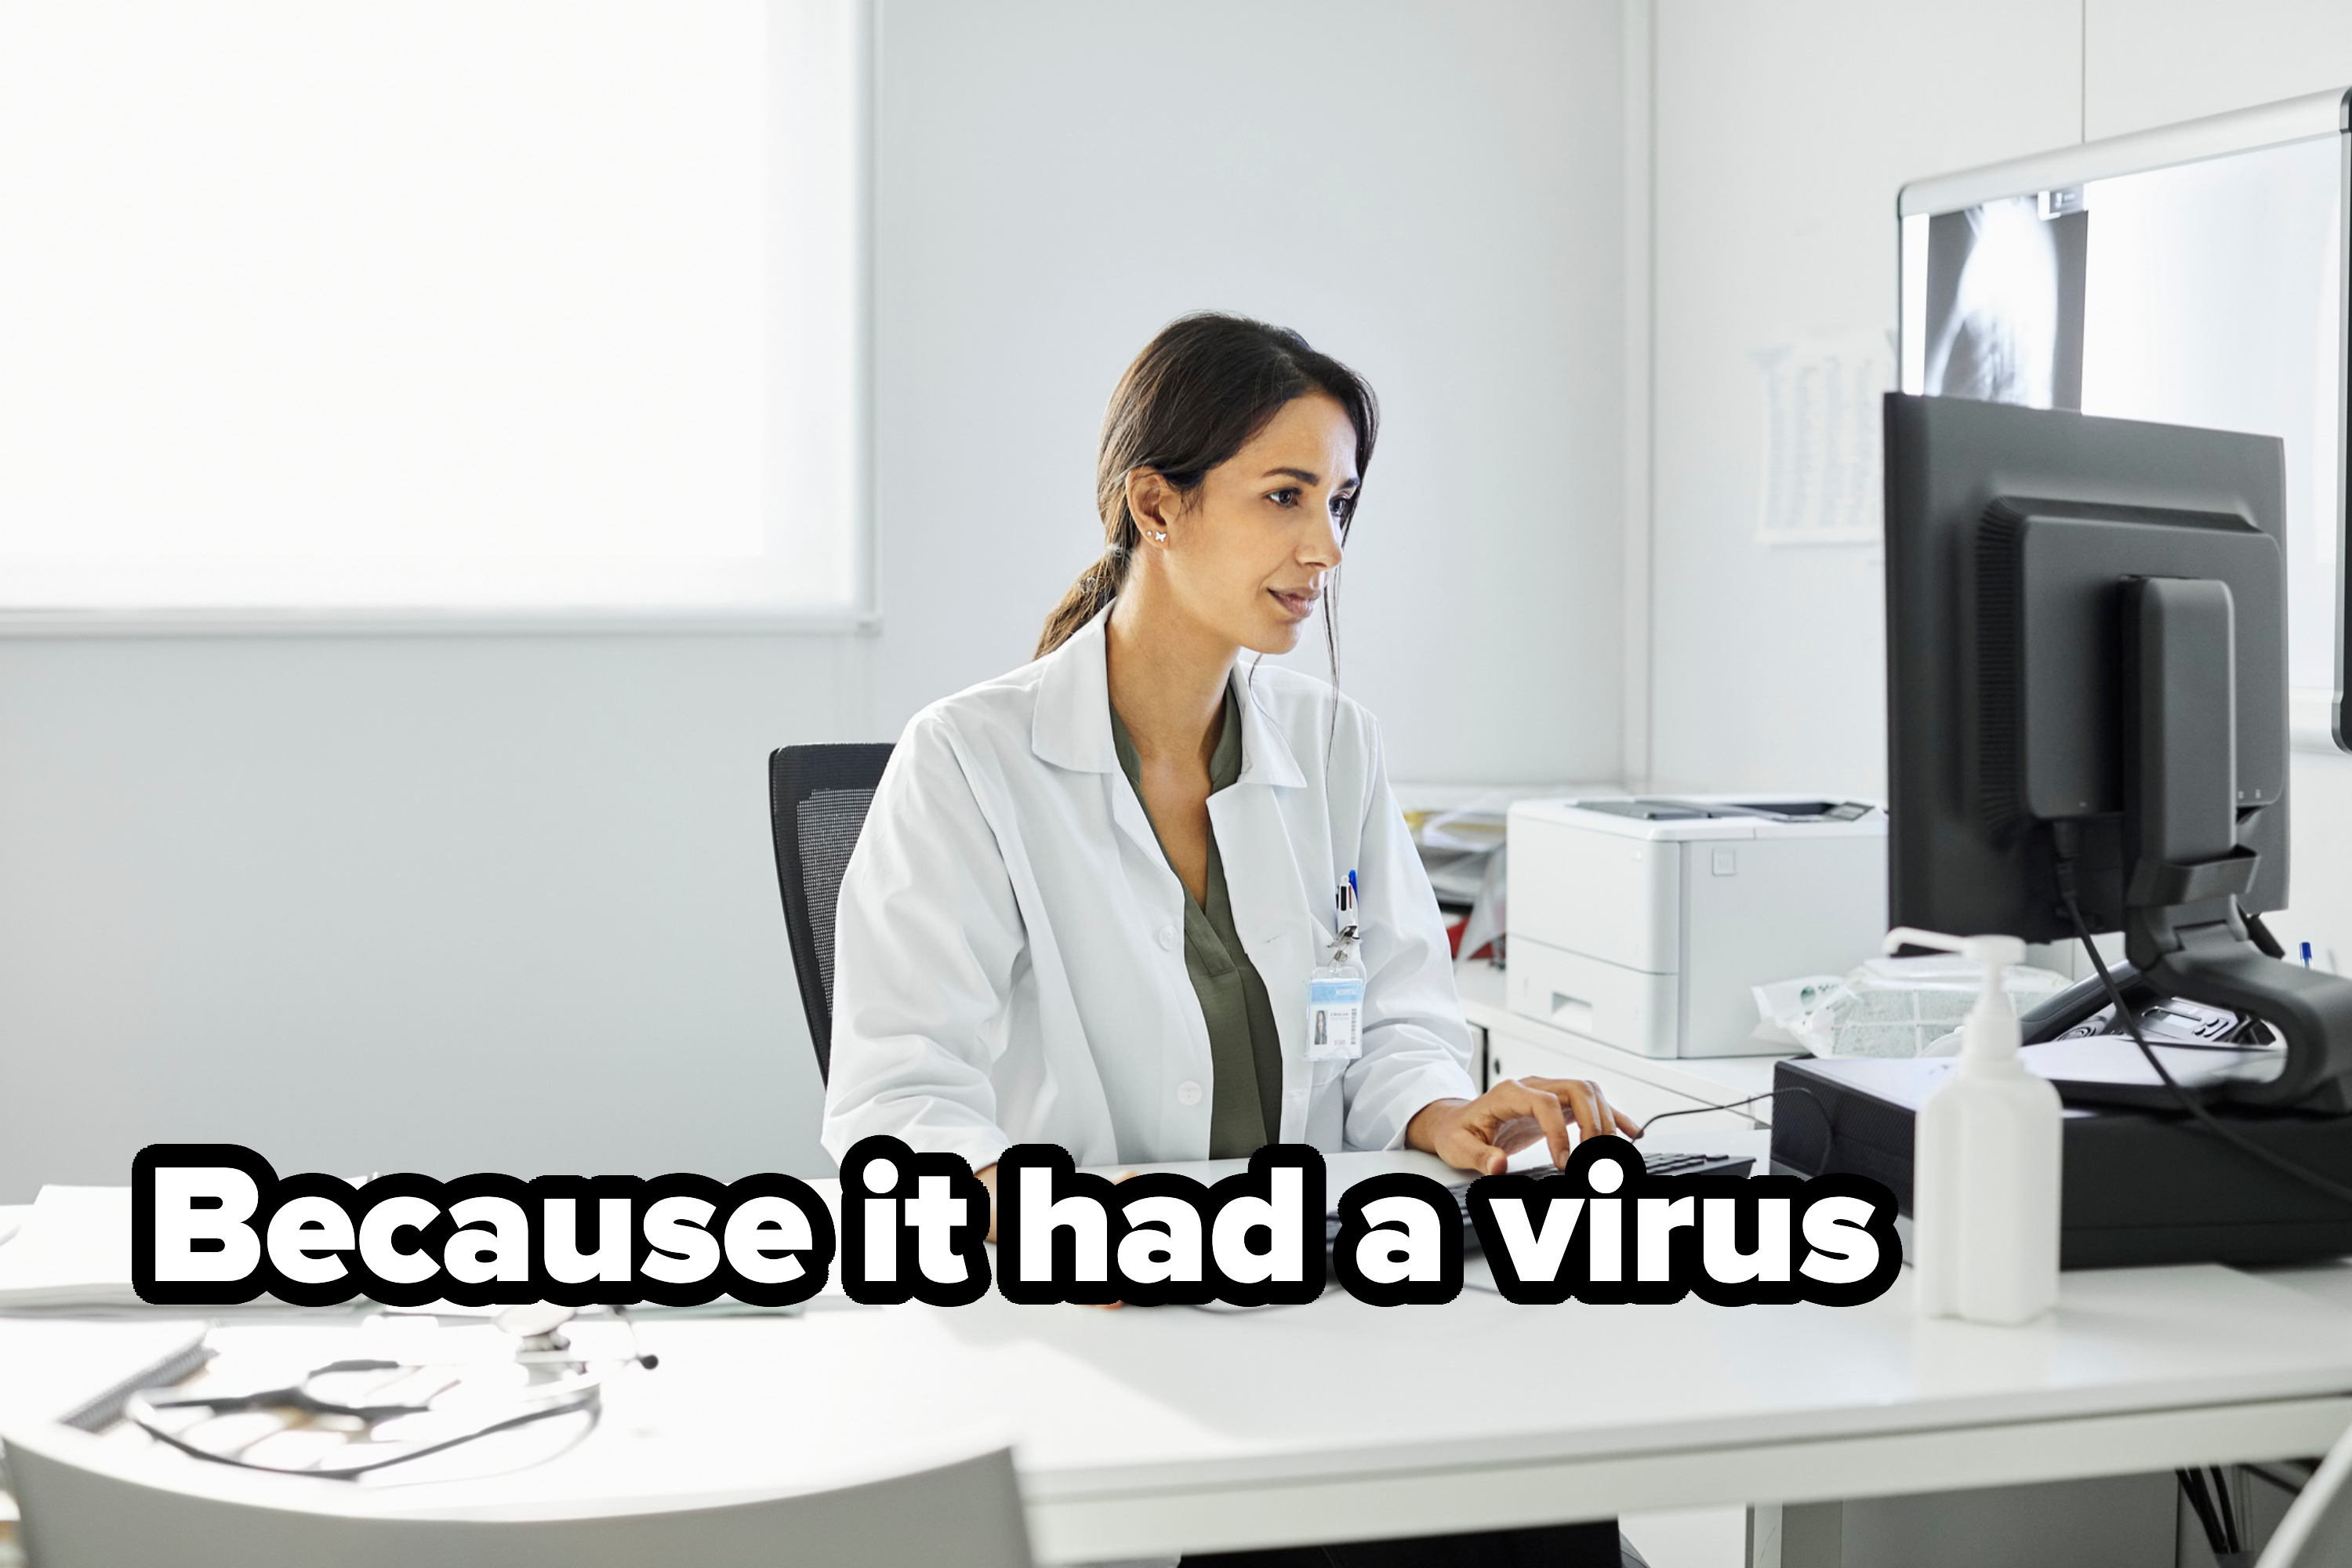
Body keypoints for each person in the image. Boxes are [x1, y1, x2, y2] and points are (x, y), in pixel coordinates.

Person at [822, 313, 1645, 1568]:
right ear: (1157, 505)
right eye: (1283, 497)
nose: (1324, 547)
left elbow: (1393, 1013)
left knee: (1533, 1493)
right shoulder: (970, 761)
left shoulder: (1332, 744)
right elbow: (897, 1104)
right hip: (1100, 1320)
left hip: (1312, 1292)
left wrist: (1436, 1112)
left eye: (1342, 503)